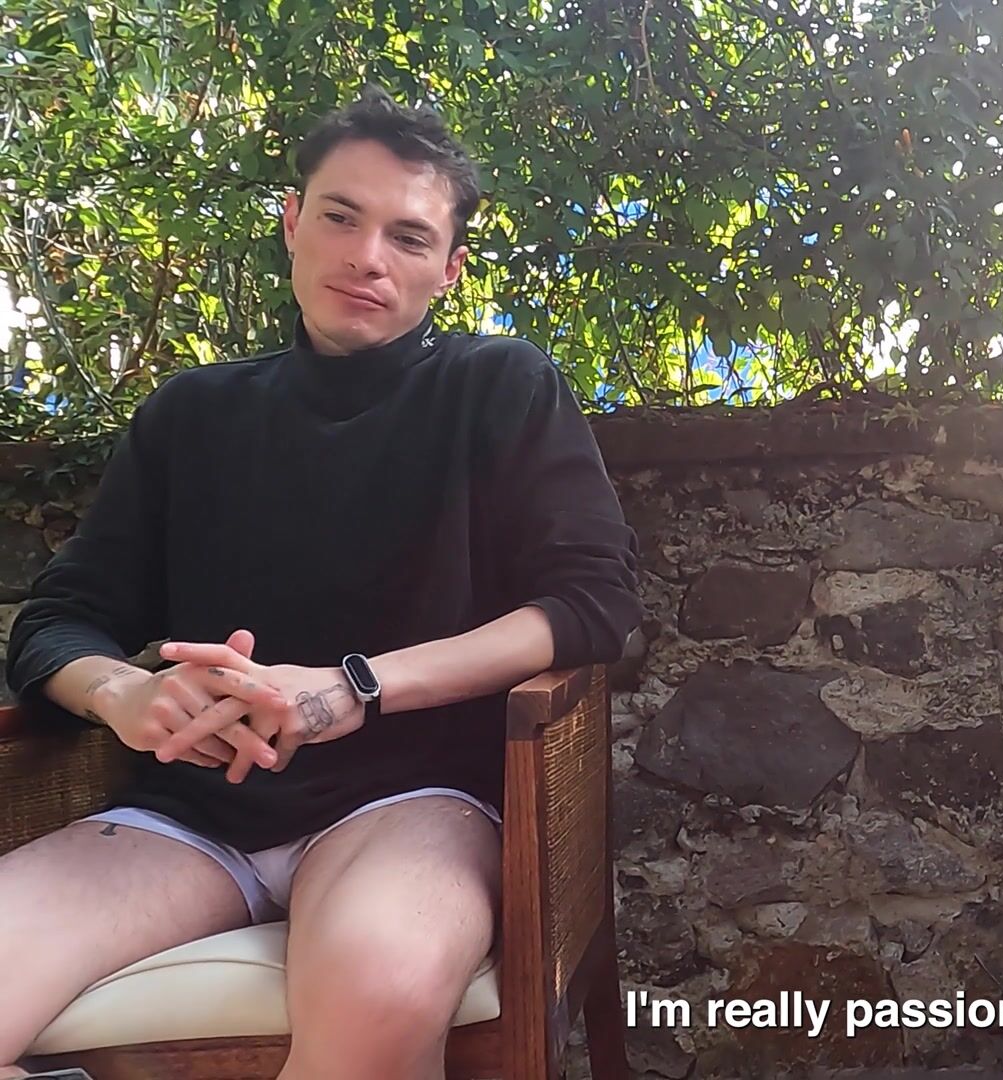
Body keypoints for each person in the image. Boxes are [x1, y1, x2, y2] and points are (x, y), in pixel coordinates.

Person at [0, 86, 642, 1080]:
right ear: (292, 221)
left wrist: (354, 687)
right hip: (190, 815)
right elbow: (58, 621)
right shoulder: (192, 415)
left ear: (449, 269)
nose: (367, 257)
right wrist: (125, 694)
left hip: (415, 799)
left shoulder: (500, 387)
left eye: (409, 236)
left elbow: (591, 604)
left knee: (378, 990)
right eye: (342, 216)